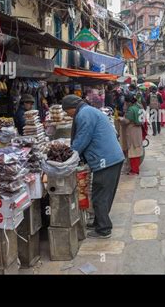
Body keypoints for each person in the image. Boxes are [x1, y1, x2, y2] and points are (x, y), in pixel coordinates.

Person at [62, 95, 125, 239]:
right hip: (112, 158)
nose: (68, 115)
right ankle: (99, 222)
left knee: (100, 196)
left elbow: (82, 138)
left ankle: (104, 229)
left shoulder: (84, 114)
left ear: (72, 108)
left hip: (106, 160)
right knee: (103, 194)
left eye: (67, 112)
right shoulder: (88, 111)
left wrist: (69, 156)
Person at [119, 94, 144, 175]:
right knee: (137, 148)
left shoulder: (131, 109)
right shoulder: (139, 106)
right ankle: (135, 169)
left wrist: (120, 119)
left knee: (133, 150)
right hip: (138, 130)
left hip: (132, 131)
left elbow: (127, 121)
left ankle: (134, 170)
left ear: (128, 102)